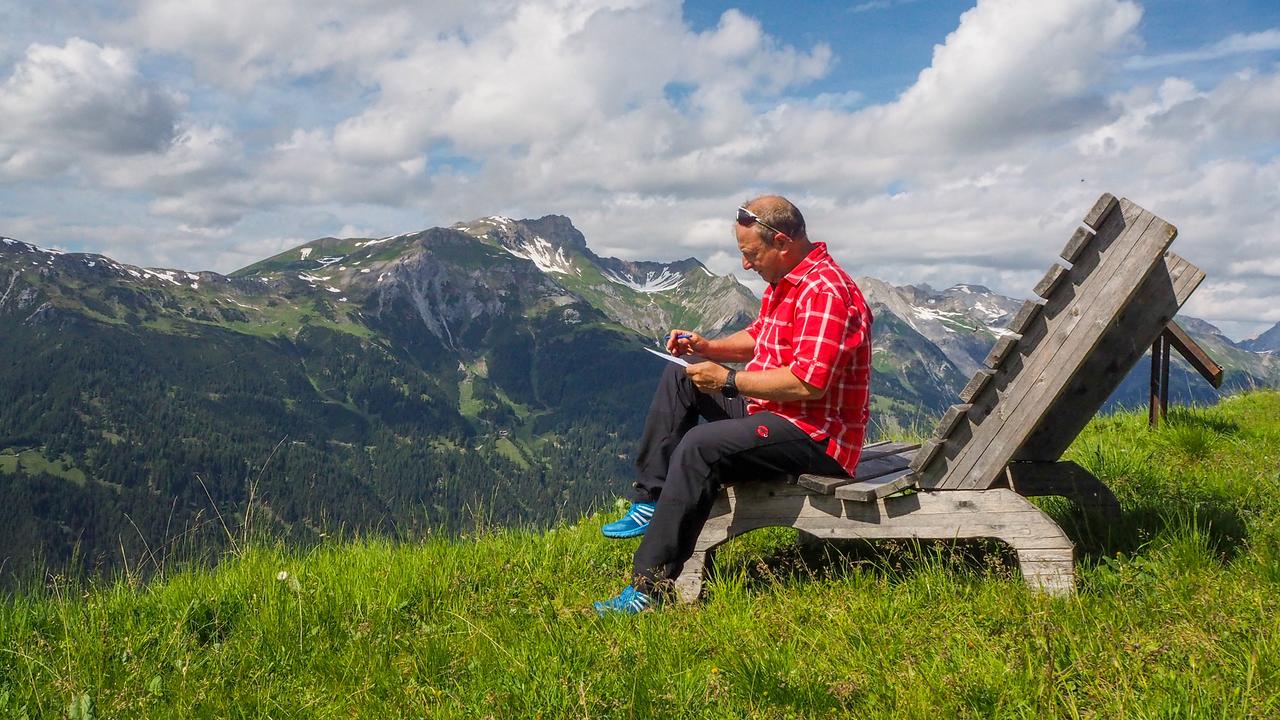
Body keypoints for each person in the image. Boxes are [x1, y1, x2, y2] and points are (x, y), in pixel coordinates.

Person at [594, 195, 873, 615]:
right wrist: (707, 348)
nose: (746, 265)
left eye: (750, 254)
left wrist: (727, 380)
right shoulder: (789, 281)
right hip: (779, 415)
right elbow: (762, 336)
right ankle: (651, 498)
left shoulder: (825, 292)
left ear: (781, 242)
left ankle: (649, 589)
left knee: (702, 446)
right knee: (682, 373)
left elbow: (809, 383)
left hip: (818, 436)